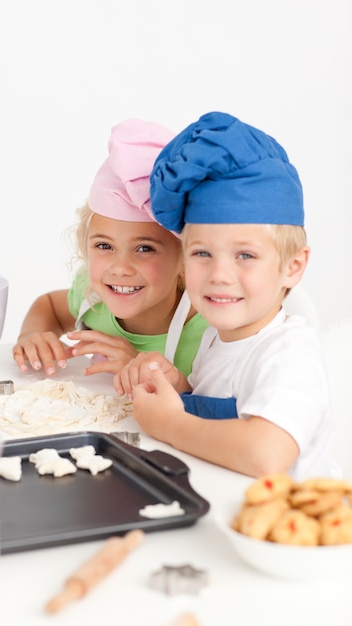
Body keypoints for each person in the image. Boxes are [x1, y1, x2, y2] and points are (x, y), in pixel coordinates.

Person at [114, 111, 339, 481]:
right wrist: (177, 387)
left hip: (288, 532)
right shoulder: (214, 339)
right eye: (202, 253)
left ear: (293, 267)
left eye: (245, 256)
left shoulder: (290, 353)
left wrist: (169, 423)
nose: (219, 275)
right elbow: (214, 411)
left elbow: (265, 454)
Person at [12, 118, 208, 378]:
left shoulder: (212, 329)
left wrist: (137, 366)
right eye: (104, 245)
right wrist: (33, 334)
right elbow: (48, 305)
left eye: (144, 248)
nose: (120, 268)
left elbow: (224, 406)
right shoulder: (93, 299)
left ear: (185, 260)